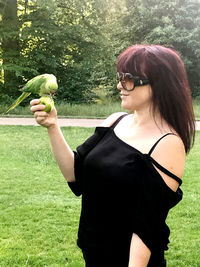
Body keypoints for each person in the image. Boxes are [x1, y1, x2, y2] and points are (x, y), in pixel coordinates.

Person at [30, 44, 195, 267]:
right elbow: (74, 174)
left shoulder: (167, 143)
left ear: (158, 84)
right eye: (120, 76)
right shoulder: (115, 121)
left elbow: (146, 228)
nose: (119, 85)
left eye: (128, 78)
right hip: (93, 255)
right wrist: (53, 126)